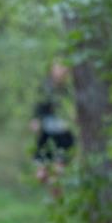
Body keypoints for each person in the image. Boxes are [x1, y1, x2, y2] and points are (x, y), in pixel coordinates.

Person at [31, 60, 76, 192]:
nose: (60, 71)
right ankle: (54, 196)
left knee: (58, 173)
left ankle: (57, 203)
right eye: (58, 67)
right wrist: (35, 120)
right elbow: (38, 108)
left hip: (63, 135)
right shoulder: (45, 88)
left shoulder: (69, 90)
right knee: (41, 175)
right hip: (47, 135)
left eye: (63, 68)